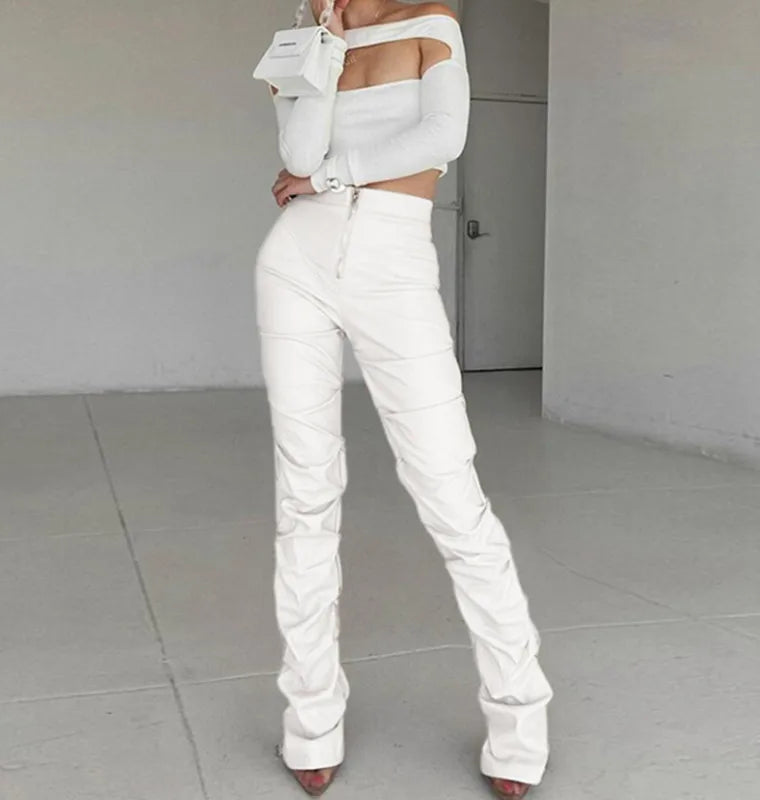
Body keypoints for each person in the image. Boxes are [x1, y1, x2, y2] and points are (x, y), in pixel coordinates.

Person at [253, 1, 553, 797]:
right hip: (296, 262)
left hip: (393, 261)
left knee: (450, 491)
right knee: (304, 493)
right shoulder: (305, 34)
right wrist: (324, 43)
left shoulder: (432, 20)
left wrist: (328, 176)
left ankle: (519, 716)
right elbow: (296, 150)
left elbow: (441, 138)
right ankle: (310, 717)